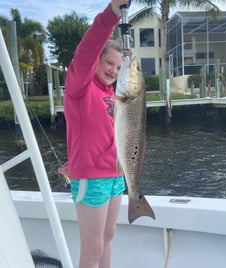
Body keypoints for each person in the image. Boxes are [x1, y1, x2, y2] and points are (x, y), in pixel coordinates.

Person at [63, 1, 129, 267]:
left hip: (116, 173)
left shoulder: (115, 95)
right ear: (97, 62)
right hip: (93, 176)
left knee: (109, 237)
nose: (113, 70)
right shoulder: (80, 86)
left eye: (118, 67)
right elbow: (87, 51)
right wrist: (112, 13)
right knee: (93, 249)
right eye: (108, 63)